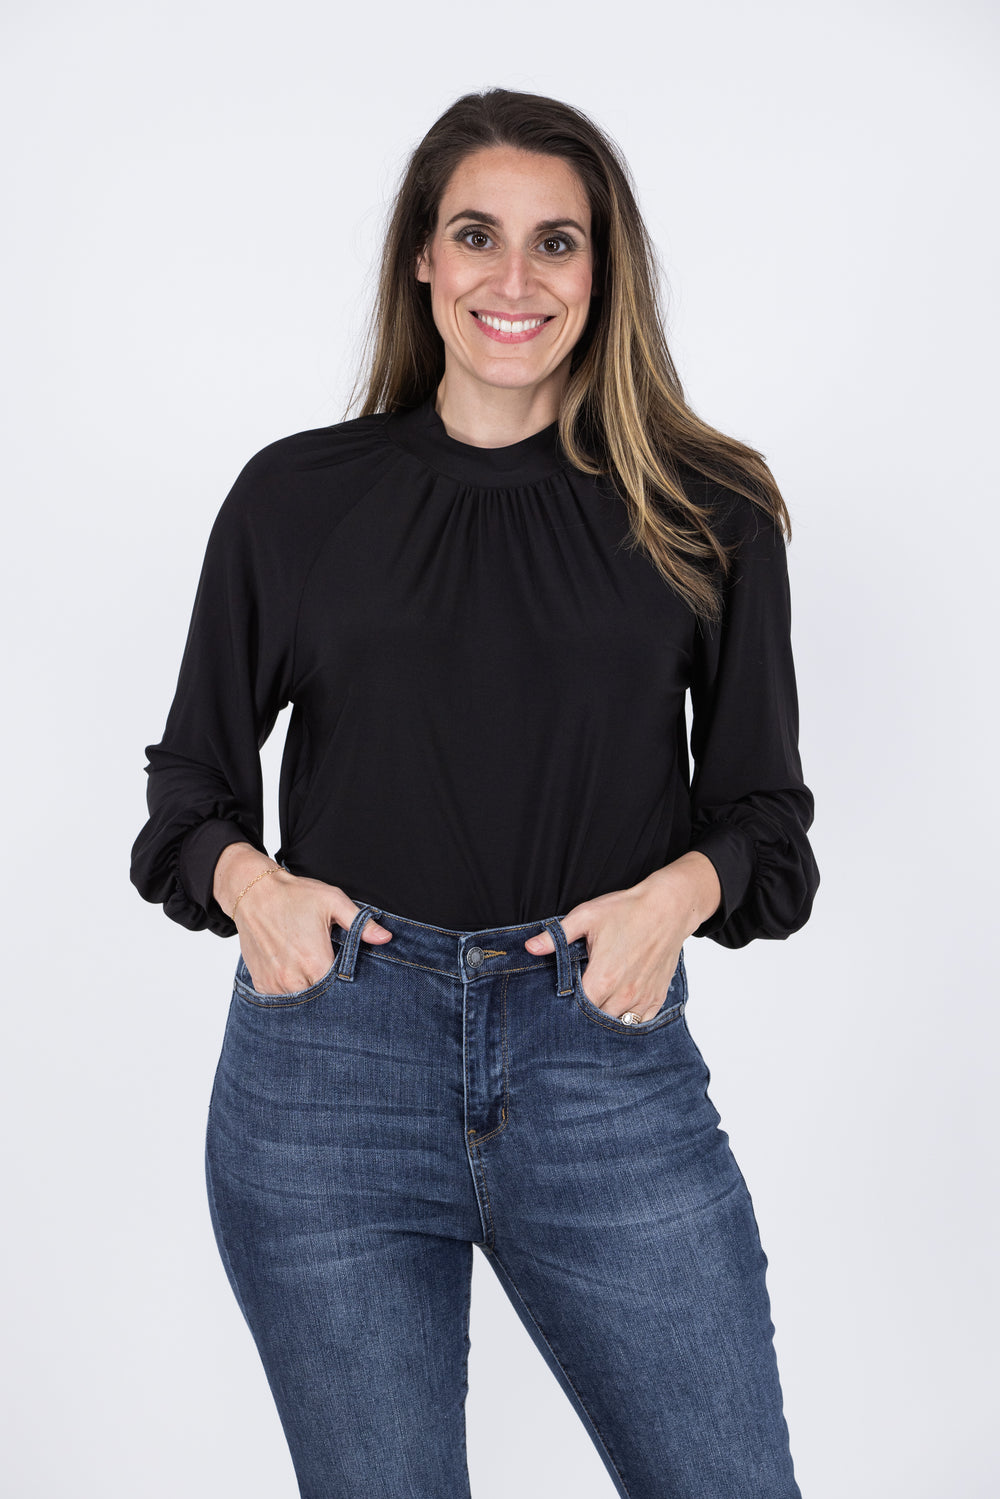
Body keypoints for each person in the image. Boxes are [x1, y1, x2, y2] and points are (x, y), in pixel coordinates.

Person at [130, 87, 819, 1499]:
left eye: (556, 241)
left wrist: (673, 901)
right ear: (422, 261)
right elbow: (189, 790)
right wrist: (253, 889)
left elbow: (767, 824)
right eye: (476, 236)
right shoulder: (297, 500)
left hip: (600, 1062)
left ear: (603, 272)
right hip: (332, 1075)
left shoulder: (706, 508)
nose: (515, 278)